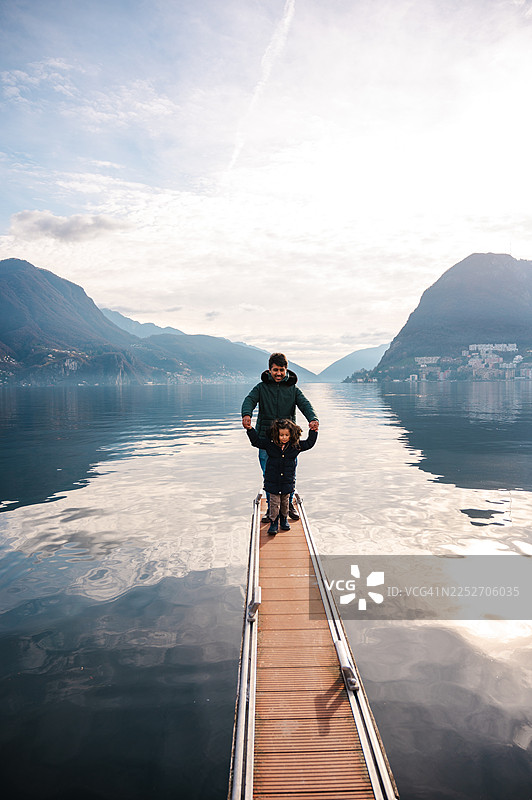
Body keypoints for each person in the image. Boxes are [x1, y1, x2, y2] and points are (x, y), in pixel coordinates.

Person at [241, 352, 319, 521]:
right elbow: (249, 400)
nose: (278, 373)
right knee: (268, 474)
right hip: (266, 438)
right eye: (275, 370)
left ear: (286, 370)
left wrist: (313, 419)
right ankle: (271, 508)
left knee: (290, 474)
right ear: (269, 370)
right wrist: (246, 414)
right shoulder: (261, 388)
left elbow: (305, 404)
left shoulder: (293, 389)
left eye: (281, 370)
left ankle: (288, 504)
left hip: (288, 439)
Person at [246, 418, 318, 534]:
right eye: (281, 435)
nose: (284, 437)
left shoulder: (295, 446)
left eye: (286, 435)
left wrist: (313, 431)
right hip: (272, 480)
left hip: (287, 481)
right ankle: (274, 522)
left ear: (291, 435)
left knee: (285, 502)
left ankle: (284, 519)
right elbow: (256, 442)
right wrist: (250, 429)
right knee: (274, 503)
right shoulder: (270, 445)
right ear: (276, 434)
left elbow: (309, 443)